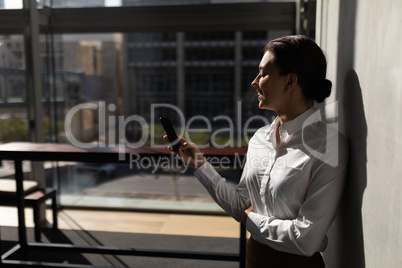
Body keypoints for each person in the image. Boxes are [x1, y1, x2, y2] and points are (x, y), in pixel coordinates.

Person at [164, 35, 348, 268]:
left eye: (263, 73)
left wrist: (250, 219)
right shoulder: (260, 138)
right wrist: (200, 164)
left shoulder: (329, 145)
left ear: (290, 82)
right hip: (254, 258)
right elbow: (242, 204)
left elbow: (306, 239)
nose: (254, 82)